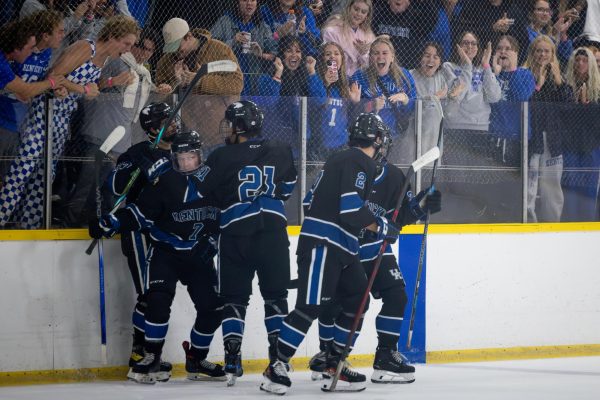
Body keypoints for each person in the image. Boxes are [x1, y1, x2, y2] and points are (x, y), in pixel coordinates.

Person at [260, 113, 402, 394]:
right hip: (324, 244)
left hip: (343, 246)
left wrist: (370, 225)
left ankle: (333, 361)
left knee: (358, 298)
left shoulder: (341, 159)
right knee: (309, 307)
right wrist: (381, 225)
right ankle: (276, 367)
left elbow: (310, 200)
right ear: (376, 139)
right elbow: (350, 210)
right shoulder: (358, 161)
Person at [307, 118, 442, 385]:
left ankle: (385, 357)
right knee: (335, 303)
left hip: (375, 248)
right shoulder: (343, 166)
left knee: (396, 296)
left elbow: (399, 218)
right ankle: (329, 354)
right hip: (344, 248)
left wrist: (421, 206)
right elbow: (313, 203)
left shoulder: (393, 176)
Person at [89, 130, 226, 384]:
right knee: (157, 302)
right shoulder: (164, 181)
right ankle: (151, 355)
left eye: (190, 158)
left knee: (213, 309)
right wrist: (112, 223)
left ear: (200, 156)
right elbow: (140, 214)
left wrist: (212, 241)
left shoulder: (215, 181)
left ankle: (196, 358)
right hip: (165, 253)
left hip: (198, 255)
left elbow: (224, 218)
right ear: (173, 157)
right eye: (180, 158)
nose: (185, 163)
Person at [189, 100, 297, 385]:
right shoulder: (281, 150)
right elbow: (286, 189)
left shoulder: (221, 156)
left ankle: (232, 360)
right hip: (273, 233)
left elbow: (203, 190)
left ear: (239, 126)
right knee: (276, 298)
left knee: (234, 300)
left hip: (236, 234)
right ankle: (277, 359)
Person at [0, 14, 137, 229]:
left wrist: (109, 82)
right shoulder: (85, 48)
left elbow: (90, 84)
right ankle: (2, 216)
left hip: (62, 119)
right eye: (126, 43)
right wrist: (81, 89)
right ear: (112, 36)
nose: (128, 49)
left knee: (43, 178)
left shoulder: (105, 58)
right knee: (22, 170)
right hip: (44, 115)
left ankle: (29, 226)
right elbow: (55, 76)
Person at [63, 27, 172, 227]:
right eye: (139, 46)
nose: (143, 52)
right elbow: (92, 82)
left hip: (121, 143)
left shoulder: (144, 74)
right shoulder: (116, 61)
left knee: (109, 190)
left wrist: (162, 91)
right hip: (99, 135)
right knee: (87, 186)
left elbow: (142, 108)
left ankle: (100, 225)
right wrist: (113, 81)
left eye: (149, 50)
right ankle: (67, 226)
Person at [107, 102, 177, 382]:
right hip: (139, 230)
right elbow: (115, 187)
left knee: (160, 295)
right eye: (166, 120)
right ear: (152, 128)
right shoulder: (136, 153)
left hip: (167, 231)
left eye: (173, 119)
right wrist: (141, 166)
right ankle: (141, 354)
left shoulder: (182, 151)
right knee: (149, 294)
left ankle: (149, 352)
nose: (174, 124)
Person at [155, 17, 243, 148]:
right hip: (183, 137)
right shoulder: (166, 61)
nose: (175, 52)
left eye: (177, 47)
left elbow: (236, 84)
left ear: (188, 36)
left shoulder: (219, 49)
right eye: (171, 48)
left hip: (218, 134)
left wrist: (199, 81)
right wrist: (175, 85)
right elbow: (161, 103)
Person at [0, 11, 66, 180]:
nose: (31, 53)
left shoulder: (46, 53)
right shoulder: (4, 61)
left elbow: (34, 85)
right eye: (59, 31)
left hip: (18, 122)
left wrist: (51, 88)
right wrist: (51, 83)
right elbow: (24, 89)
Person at [524, 35, 574, 222]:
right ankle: (527, 220)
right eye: (539, 50)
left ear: (553, 54)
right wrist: (538, 84)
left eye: (547, 51)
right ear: (532, 53)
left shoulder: (560, 78)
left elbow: (568, 107)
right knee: (530, 184)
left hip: (552, 139)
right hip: (530, 136)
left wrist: (559, 80)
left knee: (551, 186)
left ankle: (552, 224)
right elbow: (525, 103)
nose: (542, 54)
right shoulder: (525, 74)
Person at [350, 36, 417, 164]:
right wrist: (371, 105)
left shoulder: (404, 76)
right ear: (370, 58)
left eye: (385, 53)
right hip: (368, 138)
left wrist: (406, 101)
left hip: (396, 137)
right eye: (376, 53)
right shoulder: (359, 76)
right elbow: (352, 111)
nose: (380, 57)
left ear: (392, 57)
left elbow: (414, 110)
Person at [562, 47, 600, 221]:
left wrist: (586, 105)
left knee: (589, 190)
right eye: (577, 60)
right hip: (569, 145)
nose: (580, 63)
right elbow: (560, 115)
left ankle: (587, 225)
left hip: (592, 146)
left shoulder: (597, 89)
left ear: (591, 64)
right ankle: (569, 224)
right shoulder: (565, 87)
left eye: (585, 60)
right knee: (569, 188)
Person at [210, 0, 278, 95]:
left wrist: (261, 54)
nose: (249, 3)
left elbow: (274, 52)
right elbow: (211, 48)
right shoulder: (225, 21)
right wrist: (233, 41)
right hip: (227, 79)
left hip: (253, 82)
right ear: (237, 2)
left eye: (253, 0)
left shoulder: (262, 26)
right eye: (245, 0)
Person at [409, 41, 463, 154]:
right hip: (412, 132)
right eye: (427, 56)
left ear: (440, 62)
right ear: (419, 57)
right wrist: (434, 98)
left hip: (434, 134)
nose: (431, 60)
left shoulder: (442, 78)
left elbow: (450, 113)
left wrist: (453, 97)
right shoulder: (410, 75)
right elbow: (409, 104)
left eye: (436, 57)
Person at [307, 41, 356, 156]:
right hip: (319, 145)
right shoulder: (315, 79)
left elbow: (352, 116)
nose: (332, 56)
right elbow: (318, 101)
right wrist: (325, 83)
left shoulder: (348, 83)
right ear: (322, 59)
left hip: (341, 144)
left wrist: (356, 102)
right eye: (328, 54)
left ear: (342, 59)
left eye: (336, 54)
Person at [372, 0, 438, 69]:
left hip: (406, 70)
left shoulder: (417, 17)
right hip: (379, 67)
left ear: (409, 2)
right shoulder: (378, 14)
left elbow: (432, 15)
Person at [321, 0, 376, 77]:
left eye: (363, 12)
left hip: (361, 80)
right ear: (349, 8)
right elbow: (330, 59)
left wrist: (363, 54)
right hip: (338, 77)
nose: (358, 14)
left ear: (367, 16)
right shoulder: (332, 31)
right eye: (356, 9)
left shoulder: (369, 36)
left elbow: (373, 65)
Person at [526, 0, 574, 64]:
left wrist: (563, 33)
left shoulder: (547, 32)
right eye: (540, 10)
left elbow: (567, 57)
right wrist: (555, 33)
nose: (545, 13)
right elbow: (537, 50)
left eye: (548, 11)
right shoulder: (525, 32)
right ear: (530, 14)